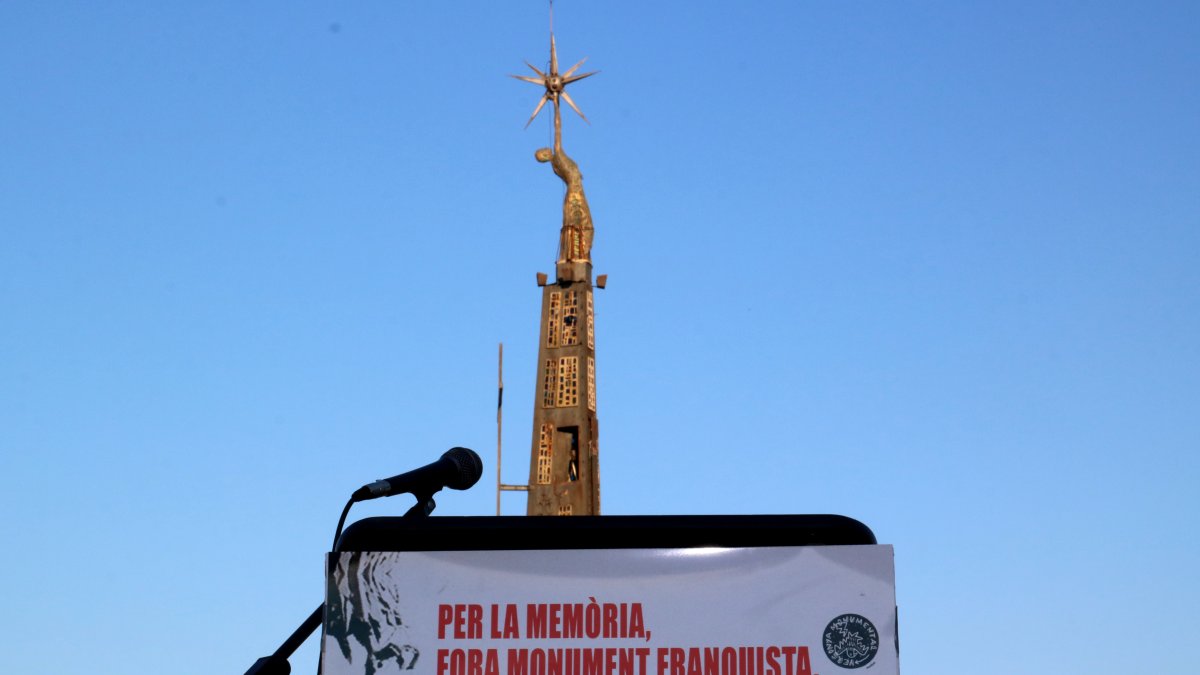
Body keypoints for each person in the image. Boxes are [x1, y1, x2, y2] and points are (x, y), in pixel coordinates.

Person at [535, 101, 593, 262]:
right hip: (575, 194)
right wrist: (556, 105)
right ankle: (576, 253)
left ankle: (576, 253)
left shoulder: (556, 164)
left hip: (574, 193)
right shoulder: (558, 157)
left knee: (576, 223)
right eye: (543, 152)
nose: (547, 149)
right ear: (546, 155)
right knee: (579, 223)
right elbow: (558, 129)